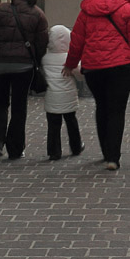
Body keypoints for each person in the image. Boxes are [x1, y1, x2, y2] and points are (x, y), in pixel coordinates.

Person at [64, 0, 130, 171]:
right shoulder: (128, 9)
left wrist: (70, 63)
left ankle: (105, 152)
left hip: (94, 68)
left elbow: (77, 40)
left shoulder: (86, 9)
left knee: (102, 107)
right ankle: (113, 157)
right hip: (121, 67)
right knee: (116, 111)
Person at [0, 0, 49, 161]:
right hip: (23, 66)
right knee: (19, 105)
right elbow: (42, 43)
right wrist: (35, 60)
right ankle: (15, 148)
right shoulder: (38, 14)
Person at [41, 25, 84, 161]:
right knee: (71, 122)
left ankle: (54, 151)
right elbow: (80, 76)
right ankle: (76, 146)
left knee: (53, 126)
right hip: (68, 97)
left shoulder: (45, 58)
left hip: (52, 97)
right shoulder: (70, 58)